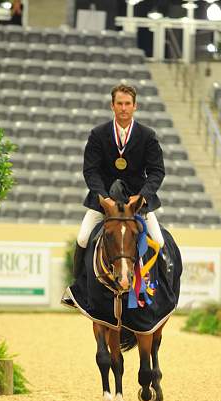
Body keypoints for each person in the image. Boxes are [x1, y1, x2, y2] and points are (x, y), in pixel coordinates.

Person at [71, 83, 169, 279]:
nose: (123, 108)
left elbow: (157, 171)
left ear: (135, 106)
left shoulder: (147, 136)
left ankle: (163, 291)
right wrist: (104, 198)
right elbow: (90, 171)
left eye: (127, 103)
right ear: (112, 106)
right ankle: (78, 289)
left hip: (136, 202)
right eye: (119, 103)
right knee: (82, 238)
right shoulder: (98, 134)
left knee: (158, 241)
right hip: (105, 201)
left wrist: (141, 197)